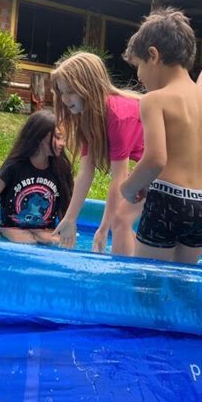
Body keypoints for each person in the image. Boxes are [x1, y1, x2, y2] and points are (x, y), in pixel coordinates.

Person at [121, 8, 202, 264]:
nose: (139, 77)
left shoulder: (154, 100)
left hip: (168, 200)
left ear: (153, 56)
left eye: (138, 67)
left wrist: (129, 188)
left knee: (147, 282)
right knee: (182, 281)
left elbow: (155, 160)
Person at [51, 52, 144, 256]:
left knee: (120, 220)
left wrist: (103, 229)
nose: (65, 99)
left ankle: (125, 276)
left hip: (169, 166)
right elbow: (85, 173)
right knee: (123, 220)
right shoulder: (90, 117)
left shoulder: (118, 115)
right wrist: (69, 219)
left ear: (90, 87)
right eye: (61, 92)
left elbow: (119, 180)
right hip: (149, 169)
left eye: (71, 92)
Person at [0, 111, 73, 244]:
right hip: (13, 228)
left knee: (54, 241)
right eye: (57, 138)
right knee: (26, 241)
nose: (62, 143)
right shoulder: (14, 167)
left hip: (44, 230)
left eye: (62, 138)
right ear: (40, 138)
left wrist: (66, 237)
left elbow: (65, 207)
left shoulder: (61, 169)